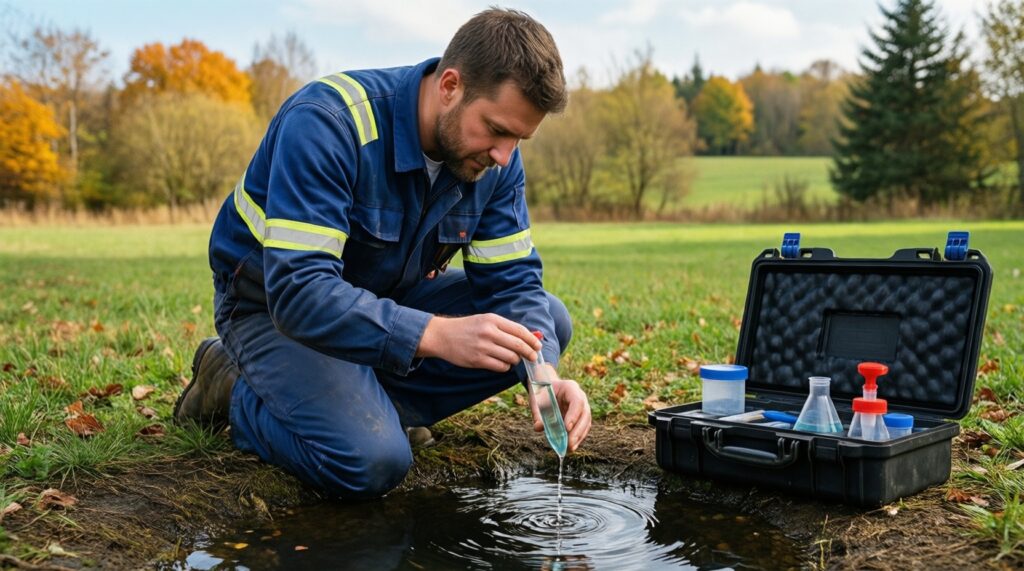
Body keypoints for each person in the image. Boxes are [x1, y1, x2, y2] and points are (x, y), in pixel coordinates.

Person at [173, 7, 591, 499]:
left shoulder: (495, 161)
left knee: (545, 326)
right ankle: (233, 388)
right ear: (450, 85)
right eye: (497, 130)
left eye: (519, 138)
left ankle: (369, 405)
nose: (504, 154)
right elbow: (299, 292)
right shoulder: (328, 123)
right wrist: (433, 333)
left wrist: (541, 375)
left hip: (385, 300)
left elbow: (514, 283)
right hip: (271, 309)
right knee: (372, 461)